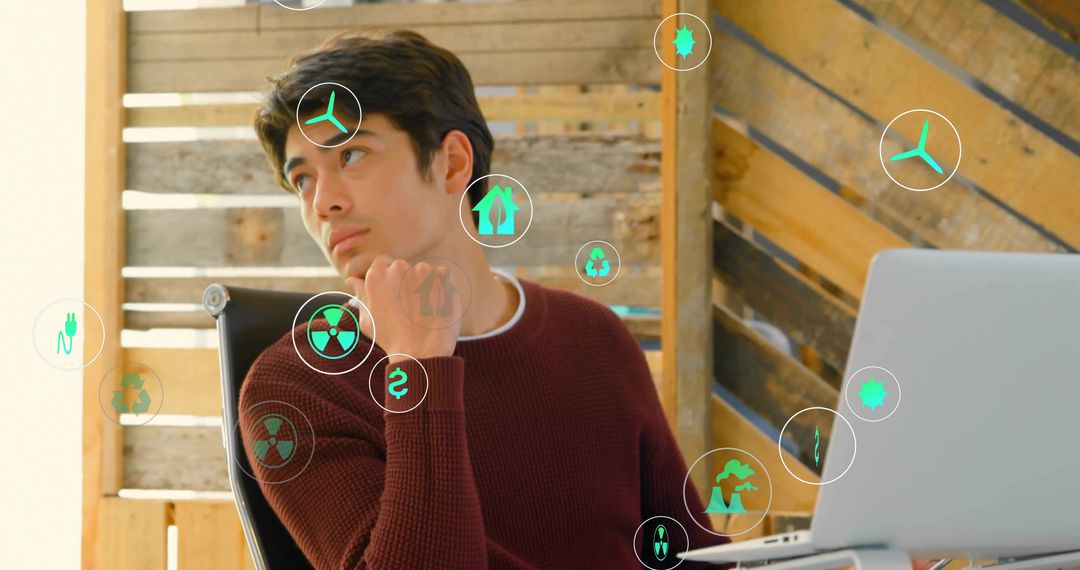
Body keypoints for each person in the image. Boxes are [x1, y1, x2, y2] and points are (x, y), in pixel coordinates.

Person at [241, 29, 728, 568]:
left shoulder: (595, 337)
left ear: (451, 163)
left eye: (351, 155)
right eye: (303, 179)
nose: (323, 202)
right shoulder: (295, 390)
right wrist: (420, 368)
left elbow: (694, 557)